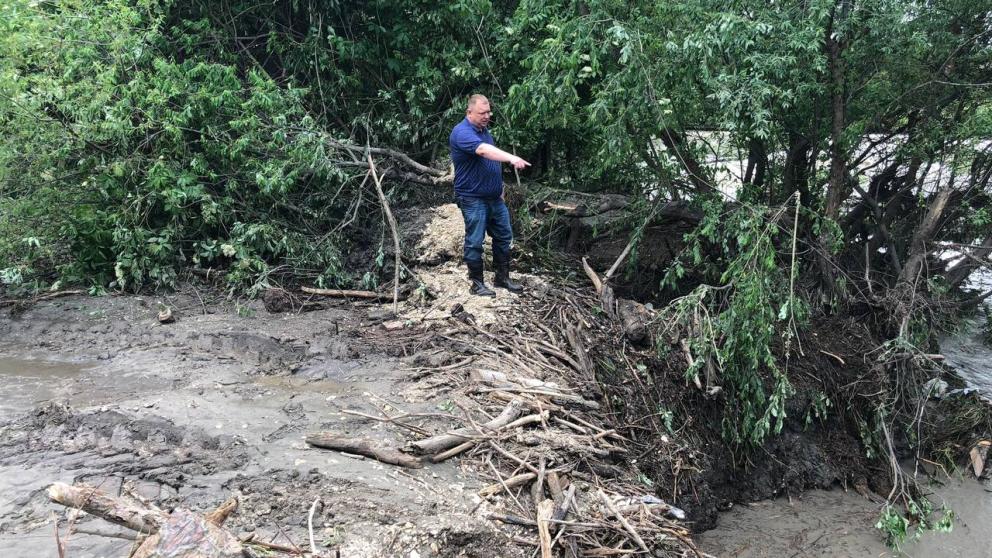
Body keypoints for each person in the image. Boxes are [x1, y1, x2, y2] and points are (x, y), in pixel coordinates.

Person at [449, 94, 531, 296]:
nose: (487, 116)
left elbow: (490, 161)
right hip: (472, 198)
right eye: (482, 112)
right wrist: (512, 158)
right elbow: (484, 151)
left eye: (488, 112)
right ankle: (477, 284)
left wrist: (500, 188)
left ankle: (502, 278)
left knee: (504, 236)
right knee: (475, 240)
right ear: (469, 112)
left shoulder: (484, 131)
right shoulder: (462, 132)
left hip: (494, 198)